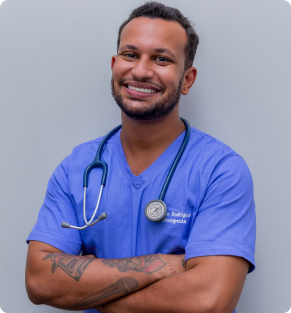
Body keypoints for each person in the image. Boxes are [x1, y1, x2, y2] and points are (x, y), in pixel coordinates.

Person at [25, 2, 256, 313]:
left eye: (161, 59)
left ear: (187, 80)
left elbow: (209, 300)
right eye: (130, 55)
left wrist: (95, 291)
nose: (141, 70)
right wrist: (164, 265)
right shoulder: (77, 168)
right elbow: (40, 282)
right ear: (114, 64)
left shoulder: (220, 170)